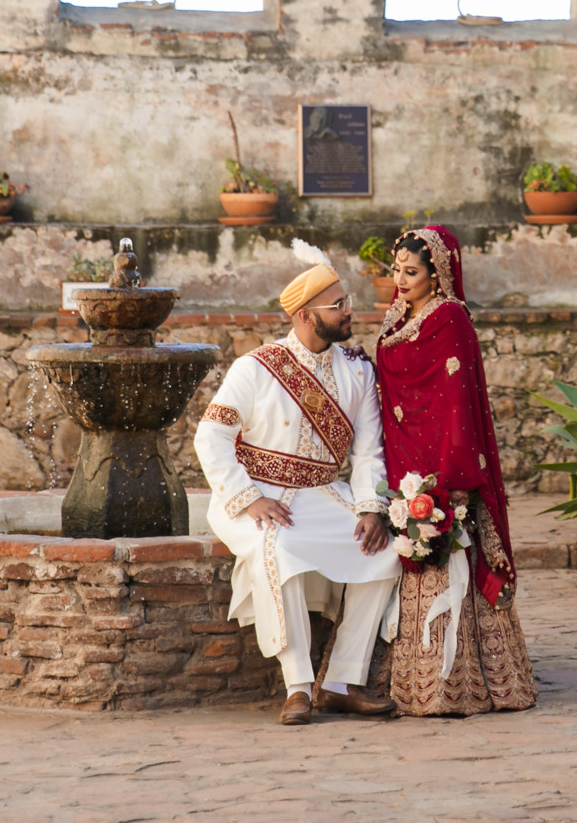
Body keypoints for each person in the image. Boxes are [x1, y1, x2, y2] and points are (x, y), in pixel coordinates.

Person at [194, 259, 401, 725]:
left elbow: (370, 452)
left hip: (322, 492)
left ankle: (340, 682)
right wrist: (248, 498)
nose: (350, 311)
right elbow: (210, 438)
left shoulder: (358, 373)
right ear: (306, 317)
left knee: (389, 550)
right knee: (279, 547)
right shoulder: (256, 368)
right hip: (255, 495)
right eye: (339, 305)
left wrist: (370, 509)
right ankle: (298, 686)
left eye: (347, 301)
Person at [374, 225, 538, 715]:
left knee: (451, 558)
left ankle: (461, 683)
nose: (399, 280)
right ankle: (411, 679)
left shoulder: (451, 321)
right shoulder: (400, 316)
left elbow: (456, 403)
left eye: (411, 272)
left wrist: (450, 478)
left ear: (438, 274)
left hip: (445, 458)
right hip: (405, 456)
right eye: (396, 271)